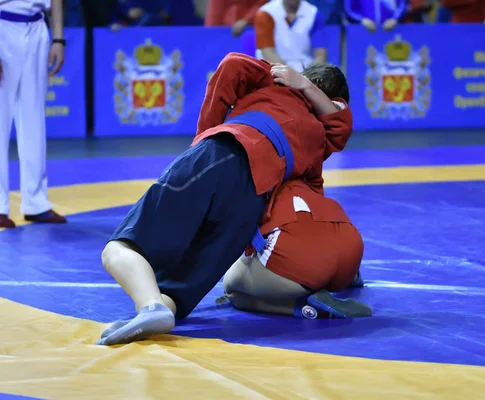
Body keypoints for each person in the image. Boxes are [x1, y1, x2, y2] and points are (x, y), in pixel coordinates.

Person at [97, 53, 352, 346]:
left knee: (118, 247)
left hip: (226, 152)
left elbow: (231, 63)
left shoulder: (280, 83)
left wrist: (204, 136)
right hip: (253, 200)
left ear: (309, 80)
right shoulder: (319, 138)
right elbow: (339, 133)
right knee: (180, 289)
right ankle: (159, 309)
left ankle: (149, 307)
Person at [221, 179, 371, 319]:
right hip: (351, 250)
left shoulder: (250, 186)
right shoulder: (306, 181)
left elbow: (237, 238)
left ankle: (304, 308)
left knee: (232, 289)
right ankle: (352, 278)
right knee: (316, 233)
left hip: (305, 263)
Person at [0, 0, 67, 228]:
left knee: (34, 119)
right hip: (2, 25)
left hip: (37, 27)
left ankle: (36, 202)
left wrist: (58, 38)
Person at [254, 0, 327, 72]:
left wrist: (311, 75)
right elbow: (267, 52)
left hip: (305, 70)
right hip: (272, 68)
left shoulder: (313, 13)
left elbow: (320, 55)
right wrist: (290, 75)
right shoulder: (266, 13)